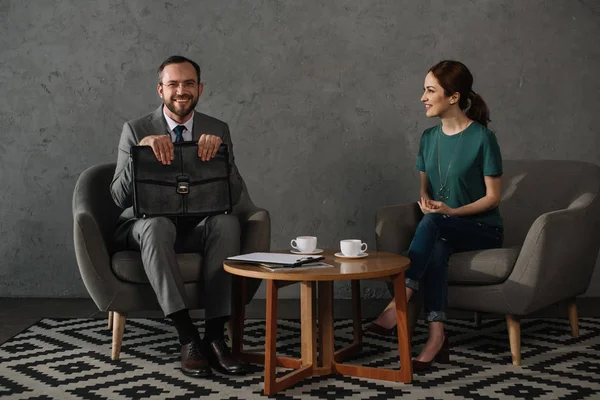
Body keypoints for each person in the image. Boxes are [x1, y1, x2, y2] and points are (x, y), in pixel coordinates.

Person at [110, 55, 249, 378]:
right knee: (157, 226)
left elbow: (235, 195)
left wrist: (222, 158)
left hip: (196, 225)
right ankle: (188, 337)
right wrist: (139, 154)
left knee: (227, 222)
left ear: (199, 89)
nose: (181, 90)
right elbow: (118, 197)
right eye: (173, 84)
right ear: (161, 90)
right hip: (146, 225)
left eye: (188, 83)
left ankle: (215, 337)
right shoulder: (135, 129)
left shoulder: (218, 128)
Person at [366, 60, 504, 372]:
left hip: (482, 229)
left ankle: (399, 300)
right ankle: (437, 336)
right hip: (443, 228)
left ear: (453, 97)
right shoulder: (428, 138)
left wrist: (450, 212)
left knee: (433, 223)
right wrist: (428, 203)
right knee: (437, 245)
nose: (422, 97)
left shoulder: (483, 138)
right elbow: (426, 192)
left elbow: (493, 198)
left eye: (430, 90)